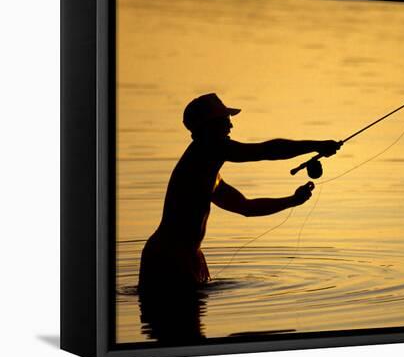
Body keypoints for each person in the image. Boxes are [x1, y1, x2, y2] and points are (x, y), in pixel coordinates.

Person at [137, 93, 341, 296]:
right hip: (169, 258)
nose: (231, 127)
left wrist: (292, 200)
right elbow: (265, 151)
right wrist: (316, 144)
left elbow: (246, 207)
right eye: (226, 121)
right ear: (209, 127)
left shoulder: (207, 172)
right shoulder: (207, 148)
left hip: (181, 256)